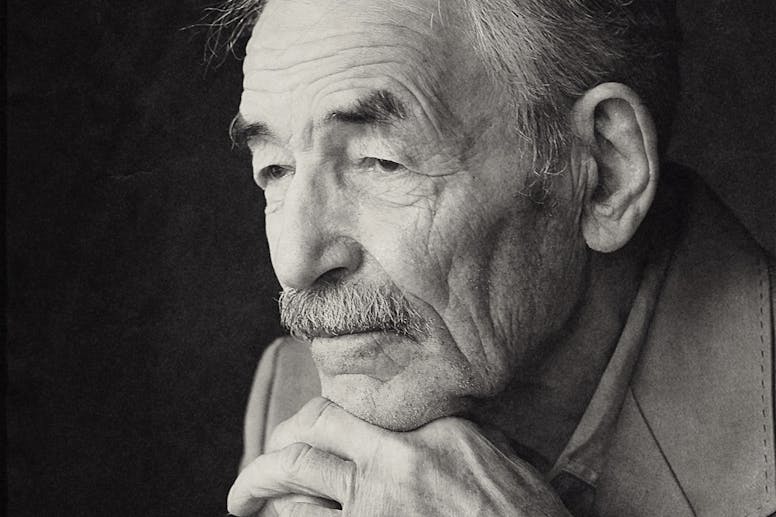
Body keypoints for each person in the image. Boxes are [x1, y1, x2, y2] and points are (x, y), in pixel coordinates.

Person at [217, 0, 775, 515]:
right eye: (275, 168)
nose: (294, 263)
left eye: (381, 162)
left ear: (604, 172)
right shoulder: (296, 388)